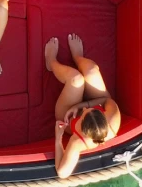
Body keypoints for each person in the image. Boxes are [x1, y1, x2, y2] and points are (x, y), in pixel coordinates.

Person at [45, 34, 122, 178]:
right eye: (90, 110)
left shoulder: (77, 141)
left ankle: (52, 62)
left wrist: (58, 138)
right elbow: (105, 100)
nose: (85, 110)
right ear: (103, 116)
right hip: (97, 100)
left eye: (84, 113)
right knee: (91, 69)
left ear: (81, 129)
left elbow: (62, 173)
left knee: (76, 78)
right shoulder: (113, 119)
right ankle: (77, 57)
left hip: (66, 115)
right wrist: (83, 104)